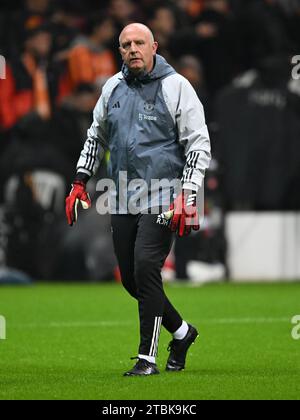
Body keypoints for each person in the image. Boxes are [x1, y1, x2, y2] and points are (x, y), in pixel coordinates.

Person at [65, 23, 211, 376]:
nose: (132, 48)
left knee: (146, 267)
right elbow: (95, 137)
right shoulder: (111, 88)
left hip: (165, 194)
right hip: (123, 194)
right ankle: (181, 332)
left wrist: (187, 194)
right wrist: (80, 181)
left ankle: (147, 357)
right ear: (120, 51)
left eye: (139, 43)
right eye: (126, 44)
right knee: (131, 279)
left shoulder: (176, 87)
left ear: (154, 46)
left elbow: (198, 143)